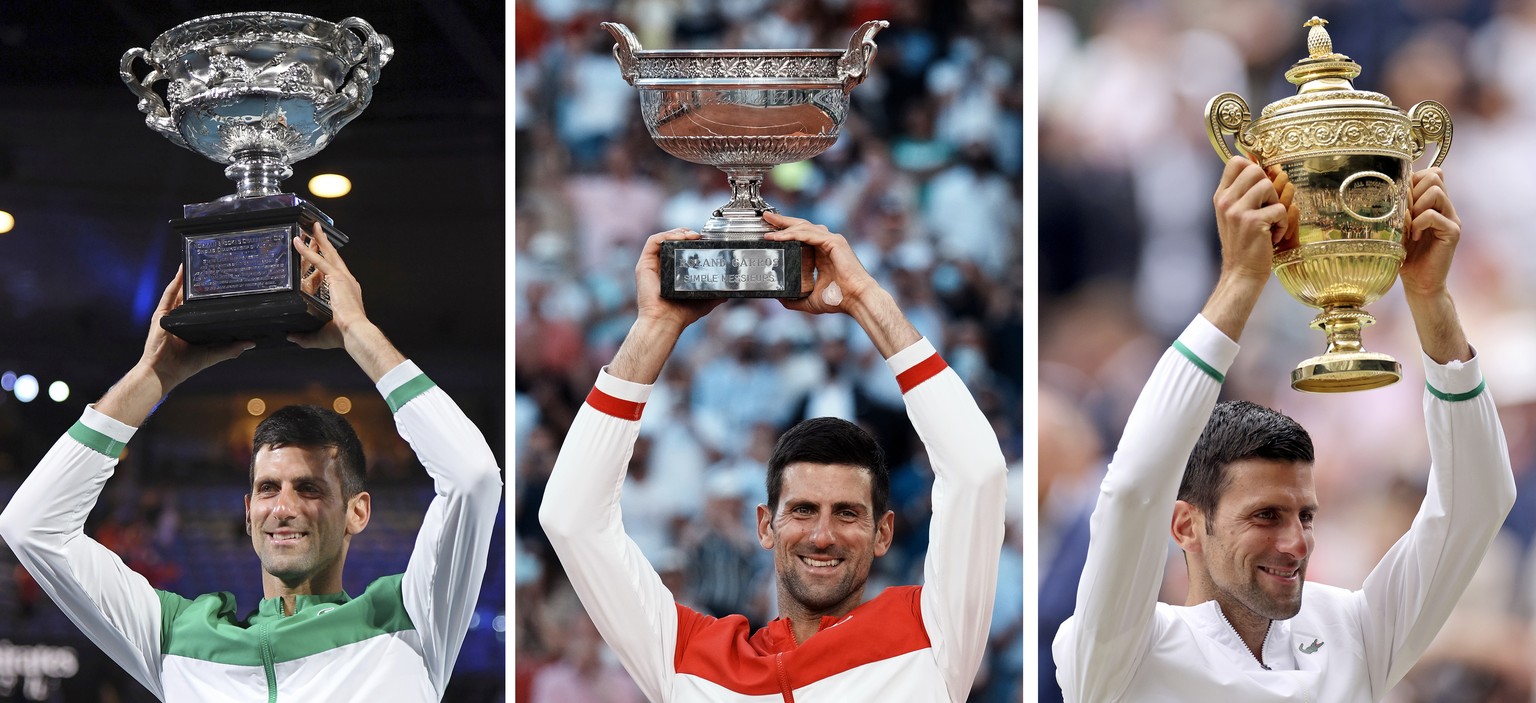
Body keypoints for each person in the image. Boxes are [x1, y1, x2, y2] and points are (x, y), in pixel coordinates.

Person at [1052, 156, 1516, 701]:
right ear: (1184, 525)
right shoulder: (1118, 653)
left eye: (1306, 515)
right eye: (1265, 516)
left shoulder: (1355, 632)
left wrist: (1431, 299)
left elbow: (1477, 503)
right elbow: (1132, 489)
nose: (1296, 543)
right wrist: (1240, 282)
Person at [0, 225, 503, 701]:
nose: (283, 507)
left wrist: (357, 330)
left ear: (358, 511)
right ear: (247, 511)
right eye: (268, 488)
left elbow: (473, 476)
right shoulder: (176, 637)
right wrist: (153, 376)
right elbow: (32, 527)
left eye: (309, 488)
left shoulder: (410, 618)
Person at [539, 212, 1008, 702]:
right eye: (803, 510)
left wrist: (865, 299)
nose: (823, 536)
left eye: (847, 513)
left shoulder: (932, 633)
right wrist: (655, 327)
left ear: (883, 533)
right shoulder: (686, 658)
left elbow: (978, 473)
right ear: (765, 525)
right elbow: (571, 518)